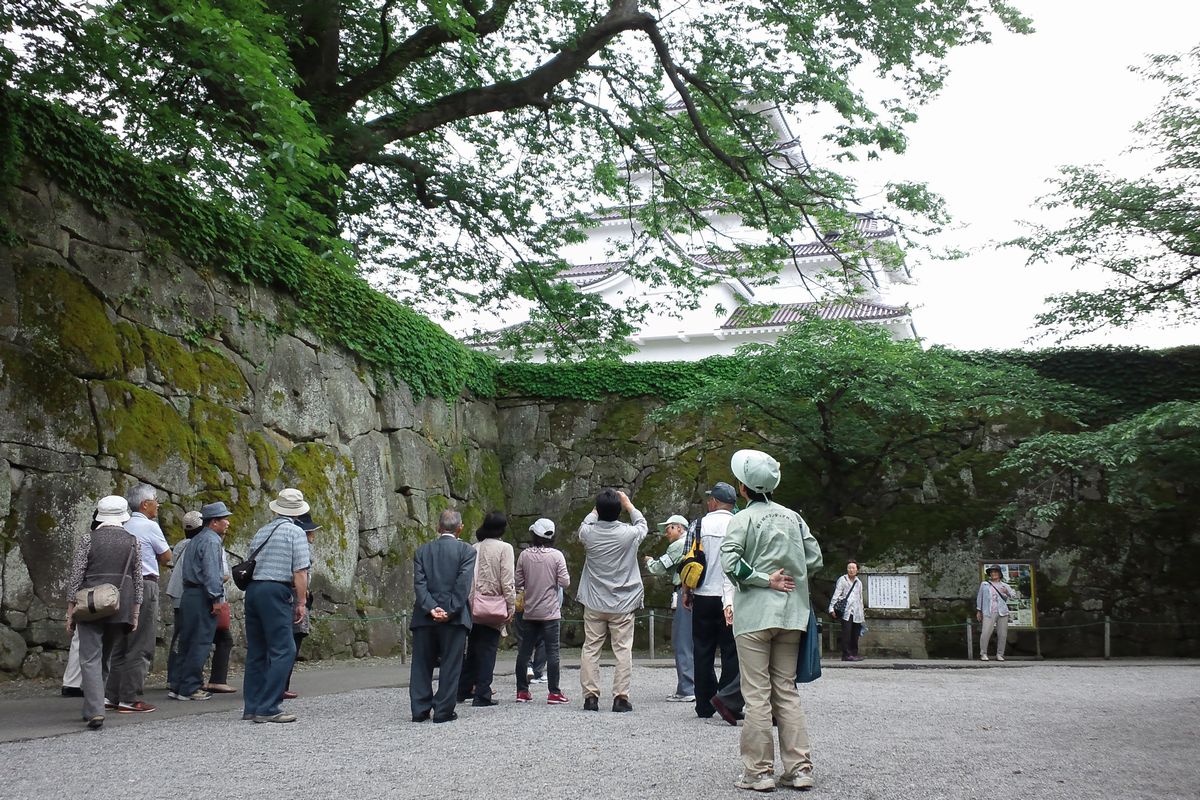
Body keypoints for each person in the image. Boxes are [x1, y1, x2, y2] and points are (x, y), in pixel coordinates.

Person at [721, 449, 823, 792]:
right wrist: (791, 573)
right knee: (787, 691)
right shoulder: (794, 517)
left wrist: (765, 578)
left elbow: (730, 563)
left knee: (756, 695)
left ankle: (759, 772)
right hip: (792, 615)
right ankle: (799, 768)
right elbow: (815, 559)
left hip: (754, 617)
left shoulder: (742, 519)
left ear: (744, 488)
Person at [64, 496, 143, 730]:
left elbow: (76, 576)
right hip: (121, 603)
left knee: (89, 658)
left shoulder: (89, 539)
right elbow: (137, 579)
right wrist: (136, 611)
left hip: (90, 604)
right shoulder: (132, 541)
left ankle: (95, 710)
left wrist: (70, 610)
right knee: (105, 657)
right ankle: (93, 706)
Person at [241, 488, 311, 723]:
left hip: (253, 590)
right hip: (276, 590)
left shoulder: (262, 531)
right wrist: (301, 601)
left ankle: (251, 705)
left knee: (257, 651)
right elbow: (300, 571)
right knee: (285, 650)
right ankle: (269, 706)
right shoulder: (295, 532)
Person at [576, 488, 648, 713]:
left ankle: (590, 697)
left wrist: (596, 509)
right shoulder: (628, 534)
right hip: (623, 602)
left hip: (595, 601)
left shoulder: (588, 533)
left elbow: (586, 523)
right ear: (619, 511)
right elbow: (642, 524)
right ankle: (620, 697)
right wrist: (629, 504)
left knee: (591, 648)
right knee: (623, 649)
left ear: (597, 510)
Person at [105, 483, 171, 714]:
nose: (158, 504)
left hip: (120, 586)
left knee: (121, 642)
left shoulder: (122, 525)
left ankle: (111, 695)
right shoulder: (149, 525)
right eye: (155, 500)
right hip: (144, 582)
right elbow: (166, 556)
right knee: (141, 642)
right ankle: (130, 697)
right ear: (145, 504)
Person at [410, 509, 477, 723]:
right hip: (454, 619)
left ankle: (420, 709)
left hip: (424, 616)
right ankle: (443, 710)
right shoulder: (467, 551)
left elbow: (419, 585)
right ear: (460, 528)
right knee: (450, 664)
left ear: (438, 527)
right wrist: (450, 610)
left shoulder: (422, 551)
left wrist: (431, 608)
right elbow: (463, 584)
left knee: (421, 664)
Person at [686, 482, 740, 720]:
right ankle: (727, 700)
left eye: (710, 499)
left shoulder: (698, 525)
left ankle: (704, 704)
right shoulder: (739, 524)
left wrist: (687, 592)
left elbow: (689, 560)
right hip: (731, 598)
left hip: (703, 595)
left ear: (715, 502)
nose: (708, 502)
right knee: (731, 650)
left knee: (702, 649)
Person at [459, 511, 516, 707]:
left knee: (473, 648)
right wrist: (511, 606)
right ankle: (483, 692)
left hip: (473, 605)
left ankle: (463, 688)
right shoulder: (504, 548)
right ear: (502, 528)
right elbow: (507, 580)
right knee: (488, 650)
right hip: (493, 606)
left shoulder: (474, 547)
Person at [175, 502, 231, 702]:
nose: (228, 522)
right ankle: (190, 687)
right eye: (224, 519)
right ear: (214, 522)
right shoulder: (212, 541)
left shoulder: (195, 540)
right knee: (200, 641)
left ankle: (178, 684)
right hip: (202, 595)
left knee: (186, 641)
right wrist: (217, 598)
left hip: (189, 593)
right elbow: (212, 572)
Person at [514, 518, 570, 705]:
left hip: (529, 611)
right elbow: (565, 582)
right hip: (551, 612)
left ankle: (522, 691)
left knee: (524, 651)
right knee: (553, 652)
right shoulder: (557, 556)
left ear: (534, 535)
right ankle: (554, 692)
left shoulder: (525, 555)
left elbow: (518, 582)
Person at [645, 513, 694, 702]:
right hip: (703, 593)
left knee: (682, 641)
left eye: (669, 529)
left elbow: (658, 567)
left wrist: (649, 561)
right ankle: (699, 686)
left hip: (685, 592)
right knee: (697, 641)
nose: (667, 533)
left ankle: (687, 688)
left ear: (680, 528)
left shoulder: (678, 546)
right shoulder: (695, 542)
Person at [165, 511, 204, 696]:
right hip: (192, 594)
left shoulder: (181, 544)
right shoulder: (203, 544)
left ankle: (173, 677)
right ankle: (187, 681)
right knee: (193, 638)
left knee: (179, 637)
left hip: (176, 592)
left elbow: (171, 563)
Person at [283, 512, 320, 699]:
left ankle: (278, 683)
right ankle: (281, 684)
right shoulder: (299, 545)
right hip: (294, 595)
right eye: (311, 532)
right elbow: (300, 572)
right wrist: (302, 599)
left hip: (288, 593)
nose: (313, 535)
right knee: (292, 640)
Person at [977, 565, 1020, 662]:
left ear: (1000, 574)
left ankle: (1000, 654)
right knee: (986, 632)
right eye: (992, 572)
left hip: (1002, 612)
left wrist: (1008, 593)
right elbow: (980, 598)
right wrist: (979, 610)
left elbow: (1015, 596)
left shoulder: (1005, 585)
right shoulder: (985, 584)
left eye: (995, 572)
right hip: (989, 611)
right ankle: (983, 653)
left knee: (1003, 634)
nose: (993, 574)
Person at [829, 560, 865, 662]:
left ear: (857, 570)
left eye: (853, 568)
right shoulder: (843, 580)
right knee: (847, 633)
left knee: (855, 633)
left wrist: (862, 613)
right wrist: (831, 608)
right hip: (846, 611)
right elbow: (836, 594)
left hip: (857, 611)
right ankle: (846, 654)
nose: (851, 570)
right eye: (849, 568)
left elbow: (860, 598)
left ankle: (854, 653)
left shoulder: (859, 582)